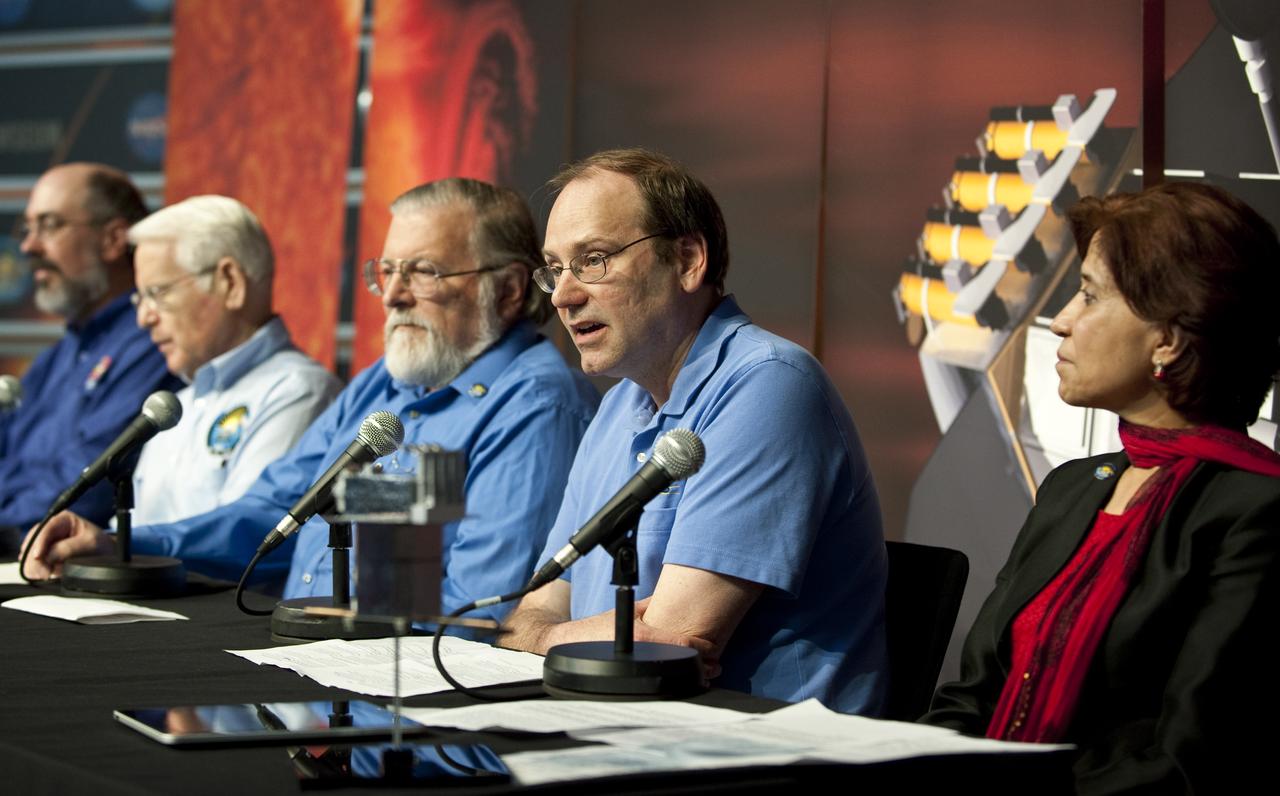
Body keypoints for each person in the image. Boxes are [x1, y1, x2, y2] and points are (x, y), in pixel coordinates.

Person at [22, 178, 600, 620]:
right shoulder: (385, 383)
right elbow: (276, 510)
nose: (392, 296)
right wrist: (118, 543)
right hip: (306, 663)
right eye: (387, 271)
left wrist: (341, 635)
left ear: (508, 289)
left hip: (398, 703)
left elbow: (478, 612)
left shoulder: (533, 405)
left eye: (422, 272)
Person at [500, 148, 888, 713]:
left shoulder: (769, 385)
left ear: (687, 260)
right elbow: (528, 616)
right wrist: (554, 636)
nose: (563, 295)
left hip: (769, 764)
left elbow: (668, 646)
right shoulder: (615, 410)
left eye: (594, 260)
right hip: (623, 735)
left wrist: (553, 636)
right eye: (555, 268)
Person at [922, 182, 1280, 793]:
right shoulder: (1070, 488)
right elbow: (970, 697)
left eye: (1088, 295)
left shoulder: (1256, 513)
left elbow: (1188, 763)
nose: (1060, 320)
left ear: (1168, 338)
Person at [34, 195, 341, 538]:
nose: (144, 317)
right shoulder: (175, 407)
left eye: (158, 292)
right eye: (140, 298)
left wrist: (117, 547)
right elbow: (135, 534)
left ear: (229, 282)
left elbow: (250, 536)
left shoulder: (297, 391)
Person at [0, 163, 182, 538]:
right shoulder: (57, 356)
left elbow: (83, 492)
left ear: (113, 240)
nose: (28, 246)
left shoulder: (153, 345)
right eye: (27, 228)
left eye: (49, 226)